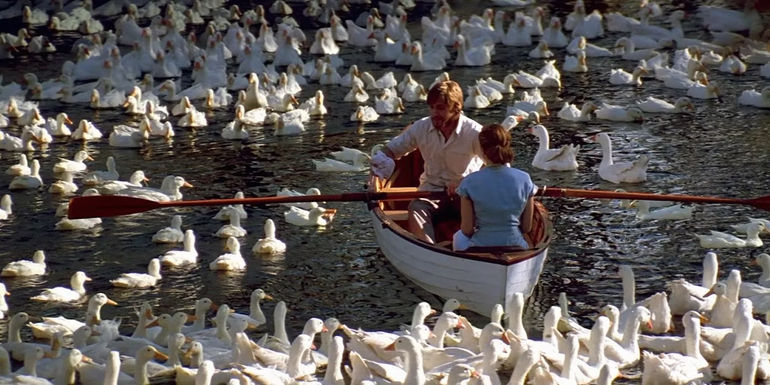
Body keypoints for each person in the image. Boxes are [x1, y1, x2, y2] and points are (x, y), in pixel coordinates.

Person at [371, 80, 484, 244]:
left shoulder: (475, 132)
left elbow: (496, 168)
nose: (434, 113)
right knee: (416, 208)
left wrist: (465, 181)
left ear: (456, 108)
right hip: (429, 193)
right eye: (431, 107)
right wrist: (378, 163)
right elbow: (391, 151)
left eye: (440, 108)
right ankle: (430, 248)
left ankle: (477, 247)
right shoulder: (421, 127)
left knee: (480, 209)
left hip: (465, 195)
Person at [452, 123, 535, 251]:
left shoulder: (469, 182)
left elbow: (467, 230)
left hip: (480, 246)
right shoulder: (525, 179)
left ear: (482, 149)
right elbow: (526, 228)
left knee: (458, 237)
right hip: (515, 245)